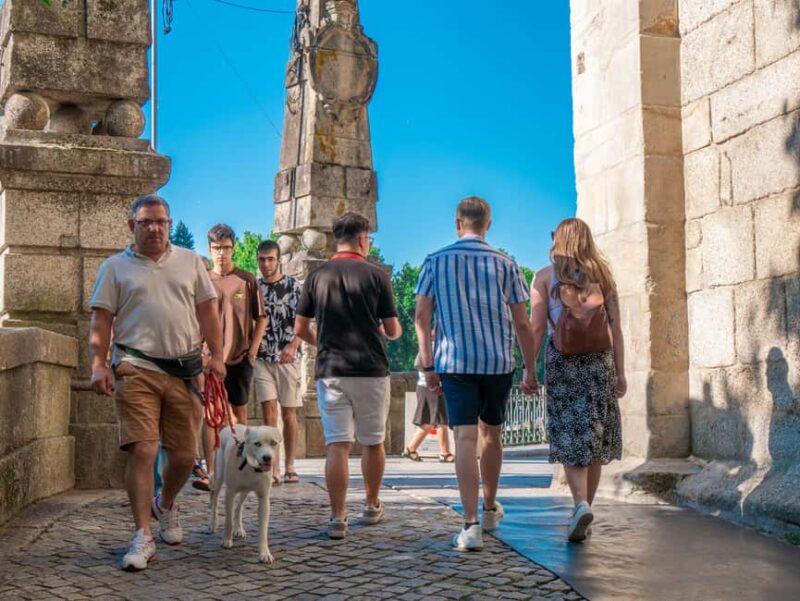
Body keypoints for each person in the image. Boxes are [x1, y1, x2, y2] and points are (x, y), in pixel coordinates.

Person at [88, 194, 225, 571]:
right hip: (135, 366)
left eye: (160, 222)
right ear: (131, 226)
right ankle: (142, 535)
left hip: (184, 370)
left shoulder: (190, 262)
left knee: (184, 456)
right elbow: (101, 321)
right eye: (145, 222)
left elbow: (208, 311)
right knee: (143, 448)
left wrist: (218, 355)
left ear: (169, 225)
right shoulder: (114, 267)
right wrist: (99, 364)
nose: (154, 228)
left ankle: (164, 502)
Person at [414, 196, 538, 551]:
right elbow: (522, 322)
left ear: (458, 223)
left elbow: (421, 317)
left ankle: (469, 526)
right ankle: (489, 507)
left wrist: (428, 365)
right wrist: (530, 368)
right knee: (492, 434)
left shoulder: (435, 261)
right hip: (497, 362)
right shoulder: (506, 264)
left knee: (465, 438)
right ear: (488, 224)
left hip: (455, 362)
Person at [294, 212, 402, 539]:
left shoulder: (316, 276)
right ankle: (370, 505)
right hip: (370, 369)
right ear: (362, 239)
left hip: (331, 370)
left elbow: (300, 328)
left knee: (337, 445)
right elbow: (393, 329)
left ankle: (337, 517)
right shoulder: (376, 275)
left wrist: (323, 342)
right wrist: (387, 331)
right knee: (373, 441)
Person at [529, 217, 625, 543]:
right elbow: (616, 329)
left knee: (570, 435)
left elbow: (537, 328)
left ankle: (580, 504)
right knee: (595, 438)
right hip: (599, 363)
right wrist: (621, 372)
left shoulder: (544, 277)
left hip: (563, 362)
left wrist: (529, 369)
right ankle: (585, 509)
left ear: (558, 241)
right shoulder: (603, 276)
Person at [194, 224, 267, 491]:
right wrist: (200, 352)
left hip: (239, 357)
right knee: (210, 416)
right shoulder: (202, 280)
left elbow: (261, 318)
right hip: (209, 359)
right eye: (216, 248)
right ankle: (212, 473)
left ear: (233, 248)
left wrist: (253, 352)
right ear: (209, 249)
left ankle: (240, 468)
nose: (221, 253)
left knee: (238, 415)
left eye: (226, 248)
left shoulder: (246, 280)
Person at [254, 239, 304, 485]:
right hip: (262, 357)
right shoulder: (254, 288)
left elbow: (304, 321)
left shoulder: (293, 286)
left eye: (270, 259)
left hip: (287, 357)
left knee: (289, 413)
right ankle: (272, 466)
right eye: (262, 260)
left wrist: (293, 346)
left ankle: (290, 464)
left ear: (279, 260)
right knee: (269, 413)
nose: (266, 264)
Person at [402, 351, 454, 463]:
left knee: (429, 422)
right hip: (431, 387)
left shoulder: (431, 347)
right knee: (440, 420)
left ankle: (410, 449)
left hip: (427, 386)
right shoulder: (431, 347)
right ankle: (445, 453)